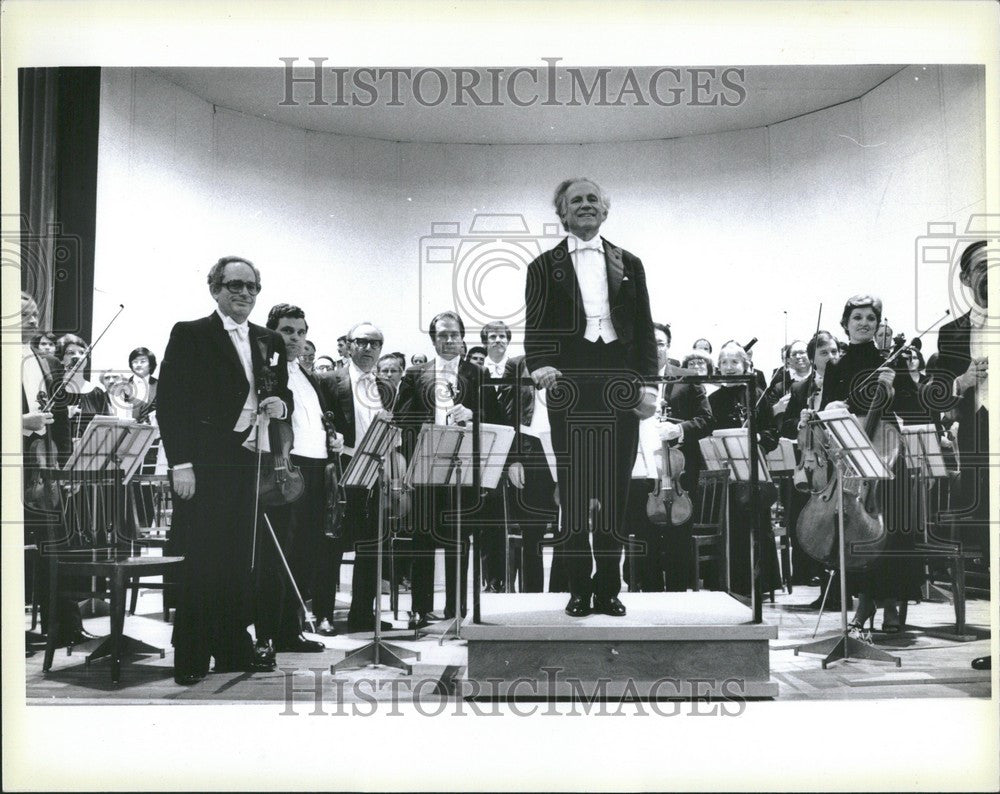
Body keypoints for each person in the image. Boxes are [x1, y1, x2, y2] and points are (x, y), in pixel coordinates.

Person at [524, 177, 657, 618]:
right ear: (562, 213)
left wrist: (649, 386)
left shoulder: (631, 263)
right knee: (578, 494)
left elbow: (643, 325)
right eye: (575, 201)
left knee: (616, 492)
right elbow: (536, 328)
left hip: (620, 384)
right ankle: (578, 589)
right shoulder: (544, 266)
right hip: (570, 386)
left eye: (592, 199)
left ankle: (609, 590)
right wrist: (540, 362)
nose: (585, 205)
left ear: (605, 209)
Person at [157, 256, 292, 685]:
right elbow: (171, 403)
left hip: (248, 462)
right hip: (204, 464)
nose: (245, 294)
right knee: (201, 560)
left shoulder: (269, 339)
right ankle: (192, 655)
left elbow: (280, 388)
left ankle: (232, 647)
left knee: (239, 560)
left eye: (252, 287)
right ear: (215, 288)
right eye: (235, 285)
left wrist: (281, 404)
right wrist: (181, 463)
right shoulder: (191, 333)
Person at [821, 294, 923, 636]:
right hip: (849, 460)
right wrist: (829, 409)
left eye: (871, 318)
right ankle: (861, 605)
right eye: (857, 317)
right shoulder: (836, 366)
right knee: (853, 531)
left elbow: (916, 410)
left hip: (886, 457)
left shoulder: (889, 361)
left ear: (878, 324)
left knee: (890, 529)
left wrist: (895, 389)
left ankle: (890, 603)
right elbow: (825, 416)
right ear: (846, 323)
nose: (864, 323)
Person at [393, 311, 501, 628]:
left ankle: (456, 608)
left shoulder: (477, 373)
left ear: (463, 337)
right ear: (433, 339)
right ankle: (422, 609)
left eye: (454, 334)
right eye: (442, 335)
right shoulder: (416, 374)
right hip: (426, 463)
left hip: (463, 466)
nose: (449, 340)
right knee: (423, 537)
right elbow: (401, 418)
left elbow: (495, 416)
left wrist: (472, 413)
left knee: (459, 538)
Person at [254, 303, 338, 656]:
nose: (296, 338)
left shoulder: (308, 376)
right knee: (278, 557)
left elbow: (316, 421)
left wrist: (334, 437)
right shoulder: (269, 371)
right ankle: (268, 633)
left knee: (305, 555)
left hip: (317, 470)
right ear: (273, 331)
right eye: (288, 331)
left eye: (301, 332)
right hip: (287, 471)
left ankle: (291, 630)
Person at [932, 241, 990, 670]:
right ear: (966, 279)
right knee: (990, 540)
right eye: (980, 268)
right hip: (977, 443)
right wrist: (960, 382)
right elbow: (935, 395)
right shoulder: (952, 332)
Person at [320, 322, 396, 633]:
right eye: (361, 342)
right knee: (331, 546)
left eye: (374, 343)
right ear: (349, 345)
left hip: (374, 472)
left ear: (380, 349)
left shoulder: (386, 387)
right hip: (341, 471)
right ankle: (323, 614)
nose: (367, 348)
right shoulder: (327, 381)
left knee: (371, 546)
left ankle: (362, 613)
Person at [21, 292, 84, 648]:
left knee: (56, 544)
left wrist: (67, 467)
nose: (32, 320)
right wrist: (19, 421)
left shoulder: (48, 364)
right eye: (22, 315)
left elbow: (60, 422)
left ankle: (64, 627)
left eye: (34, 314)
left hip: (46, 465)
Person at [635, 322, 713, 591]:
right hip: (645, 475)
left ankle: (679, 597)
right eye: (650, 342)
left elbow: (706, 419)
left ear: (668, 346)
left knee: (679, 540)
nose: (655, 348)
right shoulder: (633, 379)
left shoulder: (686, 377)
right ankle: (650, 595)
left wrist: (678, 429)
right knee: (647, 540)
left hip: (680, 476)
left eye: (660, 343)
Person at [709, 340, 782, 597]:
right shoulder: (713, 399)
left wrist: (757, 438)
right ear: (718, 367)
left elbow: (772, 434)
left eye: (735, 362)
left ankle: (761, 583)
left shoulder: (758, 394)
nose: (729, 367)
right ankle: (731, 582)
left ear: (746, 365)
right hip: (727, 475)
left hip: (754, 474)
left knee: (758, 525)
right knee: (731, 526)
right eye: (724, 363)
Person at [780, 330, 842, 597]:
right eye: (824, 352)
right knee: (804, 516)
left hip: (838, 460)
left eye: (834, 351)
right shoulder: (799, 388)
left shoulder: (843, 382)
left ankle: (838, 583)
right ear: (812, 358)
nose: (831, 357)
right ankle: (812, 574)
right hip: (810, 462)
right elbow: (785, 425)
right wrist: (800, 421)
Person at [499, 353, 560, 593]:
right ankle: (531, 597)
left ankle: (561, 594)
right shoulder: (517, 364)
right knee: (532, 531)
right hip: (530, 450)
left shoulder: (573, 357)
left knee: (566, 529)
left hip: (563, 449)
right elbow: (506, 412)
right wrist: (512, 459)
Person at [55, 333, 111, 440]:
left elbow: (106, 428)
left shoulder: (97, 392)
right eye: (70, 353)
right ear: (61, 359)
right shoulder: (54, 390)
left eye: (82, 352)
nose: (77, 356)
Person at [124, 346, 158, 424]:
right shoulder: (122, 386)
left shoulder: (161, 386)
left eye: (143, 361)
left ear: (151, 365)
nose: (138, 365)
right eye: (135, 362)